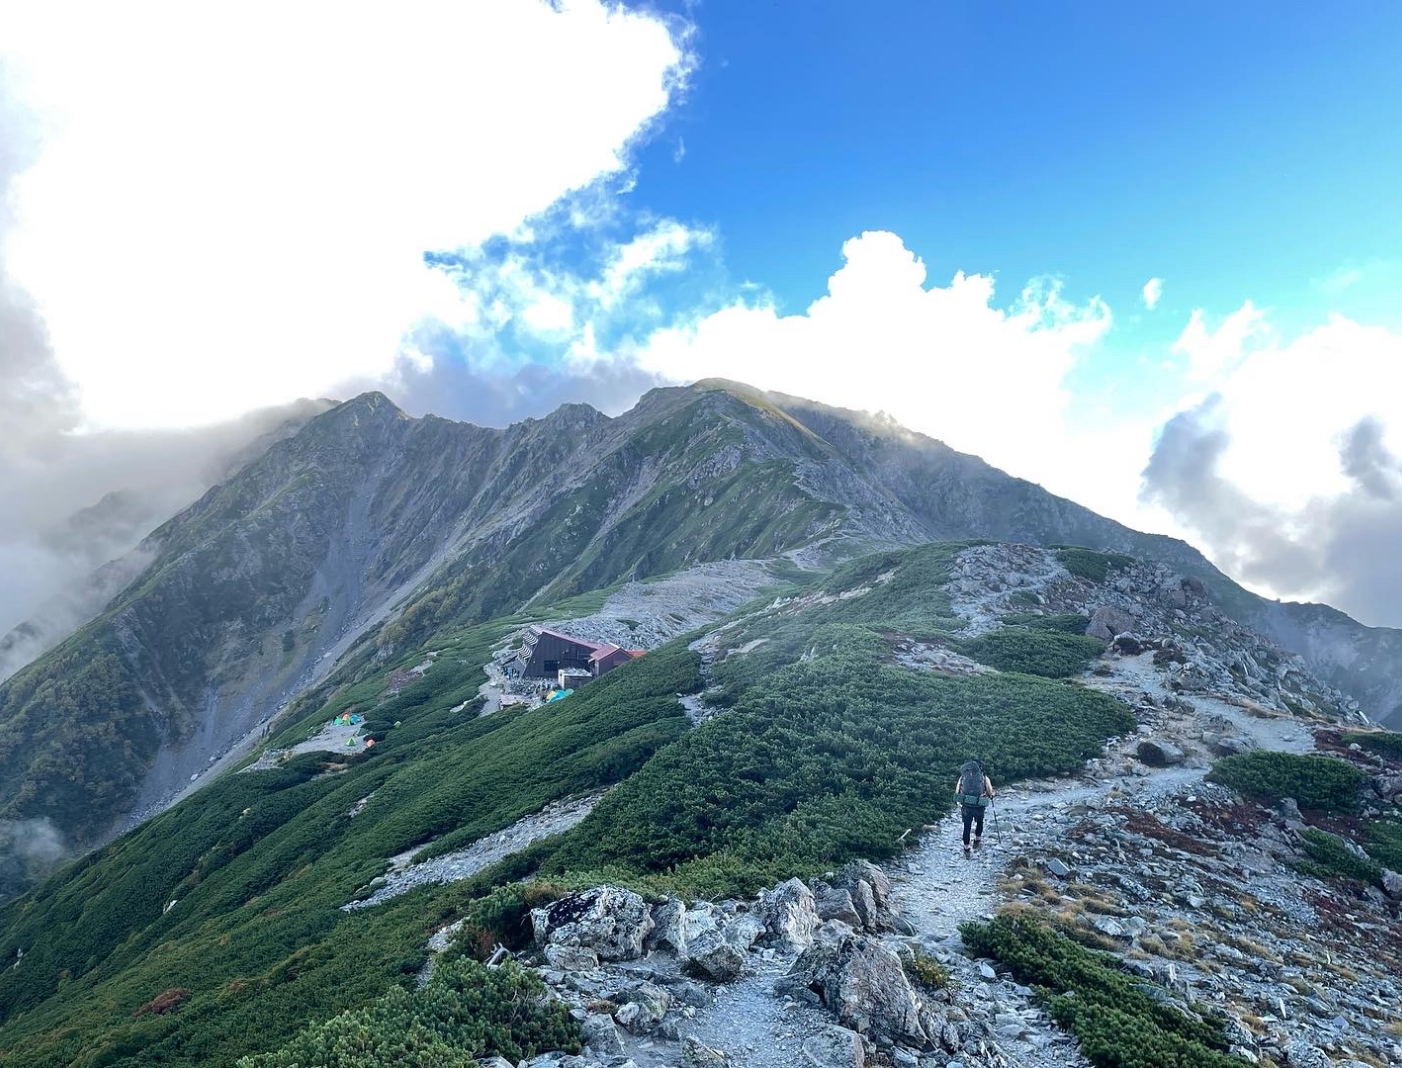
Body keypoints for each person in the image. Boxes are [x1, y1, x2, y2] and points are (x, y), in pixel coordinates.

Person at [954, 760, 995, 853]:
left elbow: (957, 792)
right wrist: (991, 795)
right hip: (979, 805)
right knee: (980, 822)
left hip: (966, 806)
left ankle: (966, 847)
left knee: (967, 826)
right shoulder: (984, 777)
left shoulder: (962, 777)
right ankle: (977, 840)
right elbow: (989, 792)